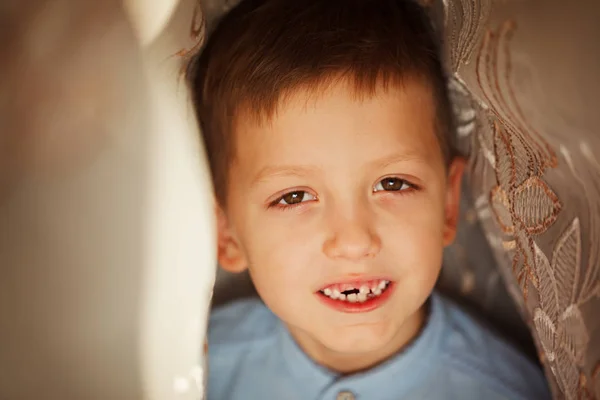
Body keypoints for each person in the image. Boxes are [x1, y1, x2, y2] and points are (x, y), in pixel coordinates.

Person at [186, 0, 551, 398]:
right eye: (294, 196)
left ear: (447, 204)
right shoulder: (193, 372)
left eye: (392, 184)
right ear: (226, 234)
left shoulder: (506, 390)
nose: (355, 241)